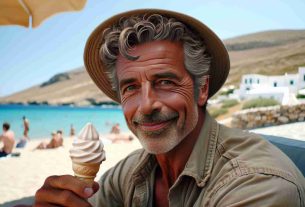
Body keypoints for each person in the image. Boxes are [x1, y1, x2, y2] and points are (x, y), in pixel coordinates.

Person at [33, 9, 305, 206]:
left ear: (202, 89)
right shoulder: (131, 172)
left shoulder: (258, 184)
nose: (147, 105)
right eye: (130, 87)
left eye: (165, 82)